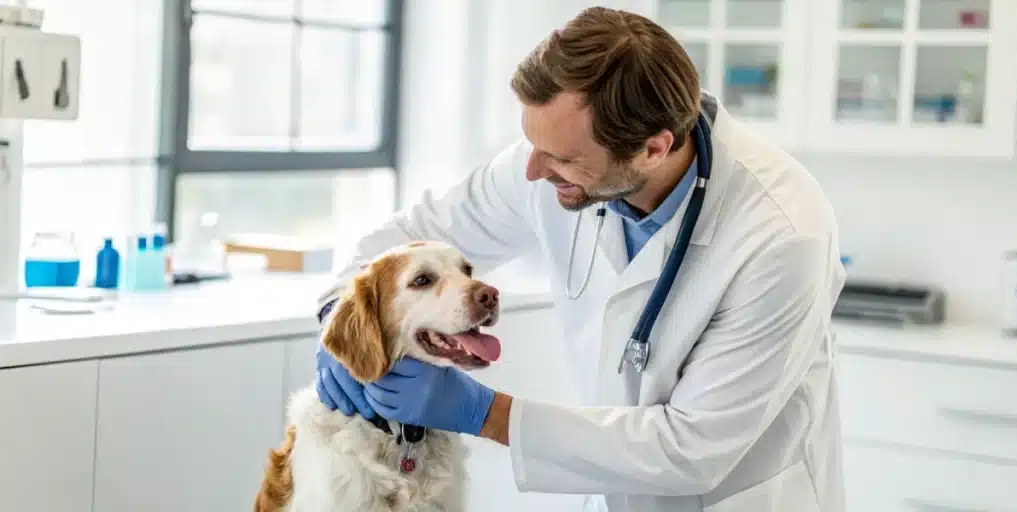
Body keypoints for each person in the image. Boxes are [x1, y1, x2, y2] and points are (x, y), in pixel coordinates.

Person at [314, 6, 847, 512]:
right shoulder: (553, 156)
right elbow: (406, 237)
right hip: (612, 492)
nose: (533, 174)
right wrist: (338, 321)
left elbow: (691, 448)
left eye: (563, 160)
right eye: (531, 144)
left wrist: (484, 413)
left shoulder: (781, 235)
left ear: (654, 149)